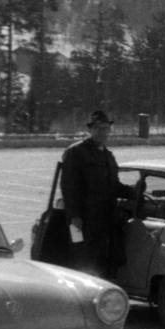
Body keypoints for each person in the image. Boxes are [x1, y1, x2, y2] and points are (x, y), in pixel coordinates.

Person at [60, 109, 126, 279]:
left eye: (105, 128)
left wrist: (136, 192)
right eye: (98, 128)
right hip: (84, 221)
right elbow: (69, 187)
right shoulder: (76, 152)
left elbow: (114, 186)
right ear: (90, 130)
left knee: (103, 261)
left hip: (106, 220)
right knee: (82, 261)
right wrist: (75, 216)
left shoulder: (108, 156)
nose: (102, 132)